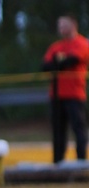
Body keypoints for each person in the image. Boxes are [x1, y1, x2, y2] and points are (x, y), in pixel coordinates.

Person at [42, 15, 89, 163]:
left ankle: (81, 162)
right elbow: (45, 66)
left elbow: (73, 60)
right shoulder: (55, 46)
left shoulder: (82, 43)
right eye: (59, 24)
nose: (61, 28)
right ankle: (57, 163)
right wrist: (61, 62)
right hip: (56, 94)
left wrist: (59, 62)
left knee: (78, 128)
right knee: (58, 130)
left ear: (73, 25)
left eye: (64, 24)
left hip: (75, 94)